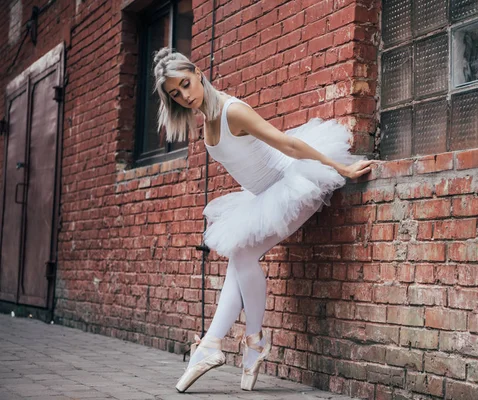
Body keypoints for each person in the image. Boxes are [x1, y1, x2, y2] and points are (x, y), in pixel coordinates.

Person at [152, 47, 376, 393]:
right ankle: (230, 345)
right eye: (175, 94)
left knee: (241, 255)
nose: (184, 95)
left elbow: (287, 144)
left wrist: (341, 168)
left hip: (291, 182)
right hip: (260, 196)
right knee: (236, 259)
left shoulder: (233, 111)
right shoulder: (207, 121)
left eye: (185, 84)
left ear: (198, 73)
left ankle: (236, 343)